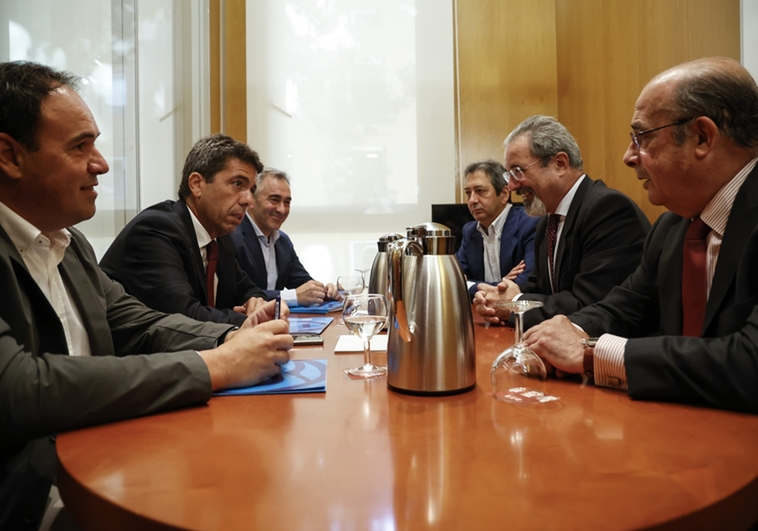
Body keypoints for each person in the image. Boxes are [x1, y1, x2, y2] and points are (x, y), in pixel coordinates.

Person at [0, 60, 292, 530]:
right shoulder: (159, 227)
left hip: (103, 459)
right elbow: (18, 387)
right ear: (10, 156)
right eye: (81, 146)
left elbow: (139, 323)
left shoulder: (70, 244)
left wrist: (232, 337)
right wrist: (217, 364)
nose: (102, 163)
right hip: (33, 503)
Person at [521, 57, 758, 413]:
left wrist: (589, 354)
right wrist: (563, 331)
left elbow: (749, 362)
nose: (628, 157)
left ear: (702, 137)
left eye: (641, 137)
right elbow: (624, 309)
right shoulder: (672, 227)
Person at [475, 115, 651, 330]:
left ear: (559, 164)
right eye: (509, 175)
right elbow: (538, 288)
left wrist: (514, 304)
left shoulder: (608, 210)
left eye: (518, 171)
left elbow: (590, 305)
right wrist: (497, 298)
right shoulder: (547, 219)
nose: (511, 186)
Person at [100, 134, 270, 326]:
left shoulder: (220, 239)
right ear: (197, 184)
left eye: (251, 190)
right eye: (237, 184)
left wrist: (257, 303)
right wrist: (252, 319)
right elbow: (183, 317)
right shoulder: (155, 230)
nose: (248, 199)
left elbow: (248, 290)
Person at [232, 167, 339, 305]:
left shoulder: (282, 241)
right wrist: (292, 296)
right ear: (251, 200)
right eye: (274, 200)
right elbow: (240, 295)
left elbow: (302, 283)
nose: (282, 209)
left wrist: (324, 291)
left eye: (287, 202)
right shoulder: (232, 238)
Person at [455, 160, 539, 298]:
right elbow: (455, 280)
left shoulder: (530, 224)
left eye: (480, 191)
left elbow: (526, 283)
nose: (472, 200)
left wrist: (474, 286)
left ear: (505, 194)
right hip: (483, 311)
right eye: (468, 193)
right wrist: (497, 284)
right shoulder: (469, 231)